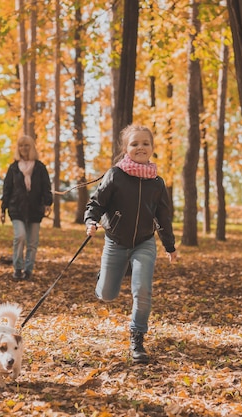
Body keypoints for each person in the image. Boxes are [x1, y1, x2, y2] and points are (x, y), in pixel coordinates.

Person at [84, 124, 177, 364]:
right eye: (134, 143)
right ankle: (104, 277)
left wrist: (170, 246)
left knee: (143, 291)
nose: (140, 147)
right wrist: (91, 220)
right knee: (106, 295)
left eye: (145, 143)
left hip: (144, 243)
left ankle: (137, 338)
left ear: (152, 148)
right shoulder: (115, 174)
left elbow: (163, 217)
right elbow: (96, 203)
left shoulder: (157, 183)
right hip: (116, 242)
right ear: (126, 148)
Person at [1, 135, 53, 281]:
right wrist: (3, 209)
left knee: (32, 242)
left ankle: (28, 270)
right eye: (21, 146)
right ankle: (17, 268)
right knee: (20, 236)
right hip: (16, 208)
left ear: (31, 147)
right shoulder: (13, 168)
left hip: (35, 209)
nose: (24, 148)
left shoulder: (40, 167)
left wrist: (48, 203)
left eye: (26, 146)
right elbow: (7, 189)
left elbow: (46, 187)